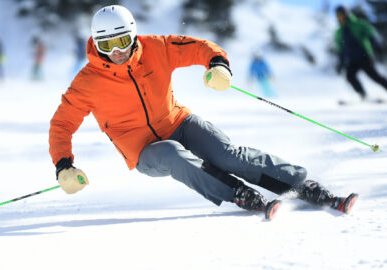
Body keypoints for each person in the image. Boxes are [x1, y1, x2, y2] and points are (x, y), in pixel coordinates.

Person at [49, 5, 358, 219]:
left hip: (178, 121)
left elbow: (199, 47)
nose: (115, 52)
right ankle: (238, 193)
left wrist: (218, 65)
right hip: (143, 150)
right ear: (97, 44)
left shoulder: (156, 48)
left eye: (121, 41)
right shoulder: (88, 81)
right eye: (107, 44)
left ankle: (300, 185)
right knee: (172, 154)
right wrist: (64, 165)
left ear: (132, 36)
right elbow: (62, 124)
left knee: (228, 154)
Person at [335, 5, 387, 100]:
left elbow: (370, 33)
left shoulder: (359, 24)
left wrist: (375, 44)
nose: (340, 18)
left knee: (374, 76)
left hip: (365, 56)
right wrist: (340, 63)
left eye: (341, 15)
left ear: (346, 15)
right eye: (338, 16)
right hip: (352, 59)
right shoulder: (339, 32)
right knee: (350, 76)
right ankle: (363, 95)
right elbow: (340, 50)